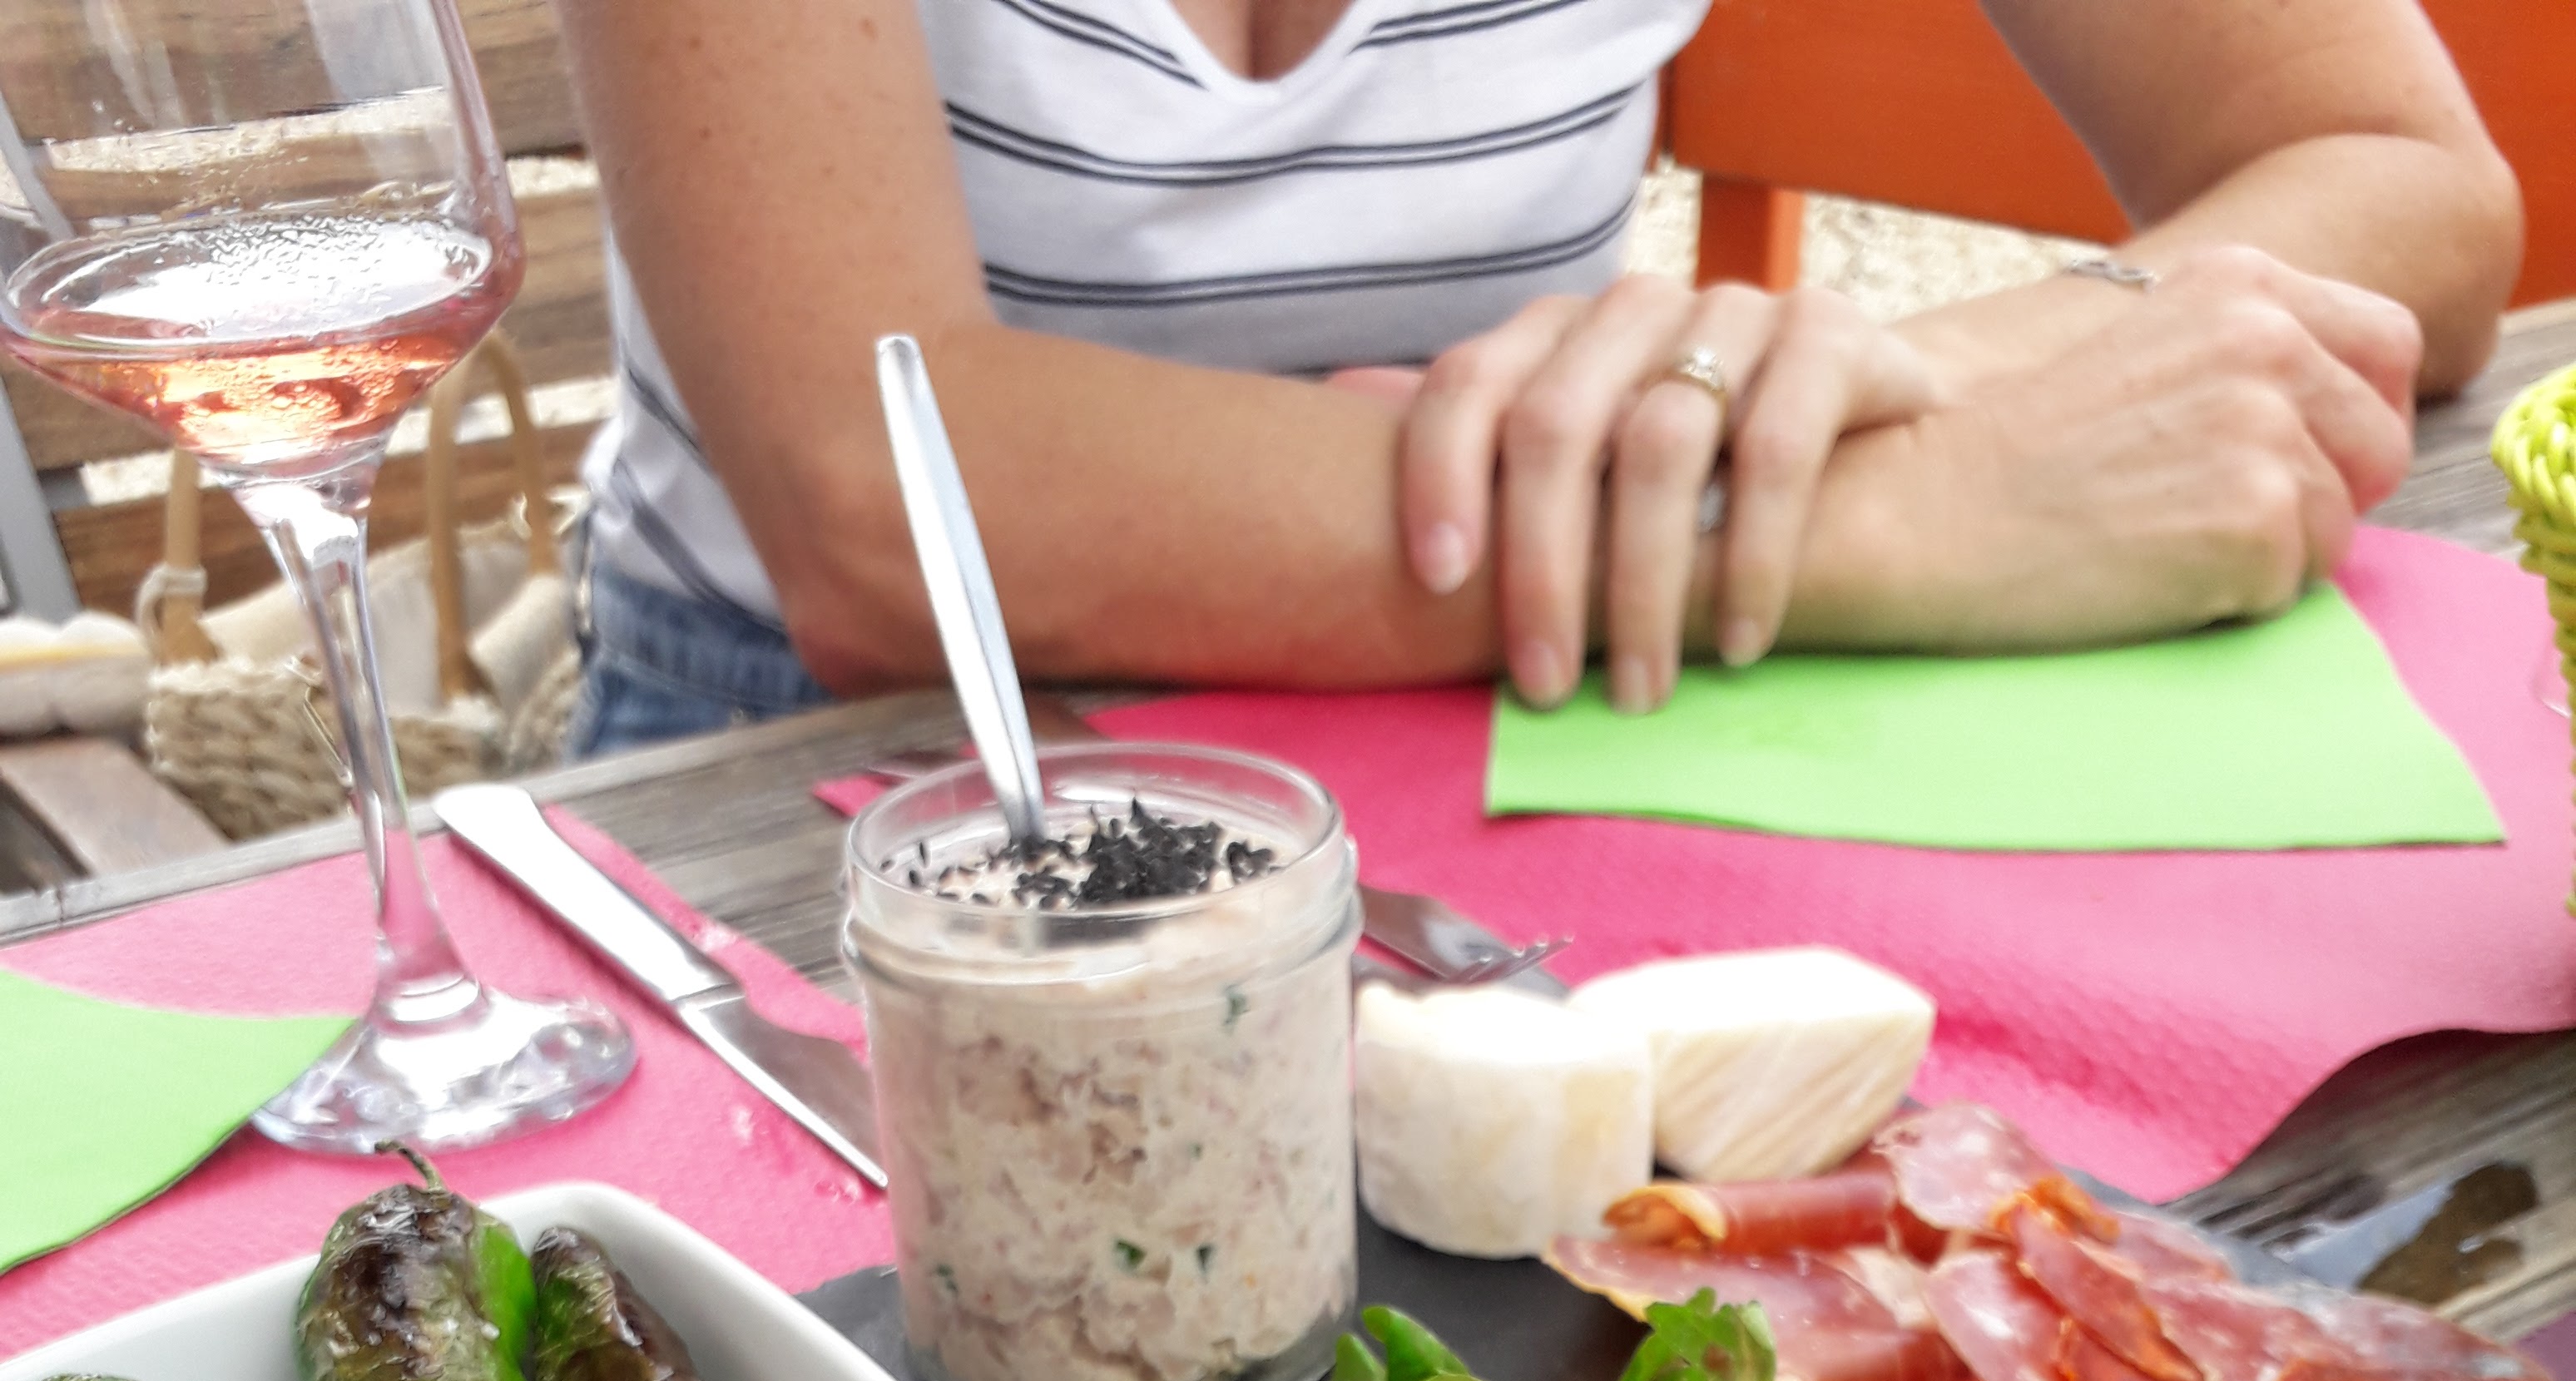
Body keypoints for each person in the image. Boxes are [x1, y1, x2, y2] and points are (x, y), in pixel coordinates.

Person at [553, 0, 2521, 755]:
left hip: (1535, 709)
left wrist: (1896, 387)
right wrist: (1886, 508)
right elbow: (875, 504)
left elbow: (2398, 174)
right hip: (815, 761)